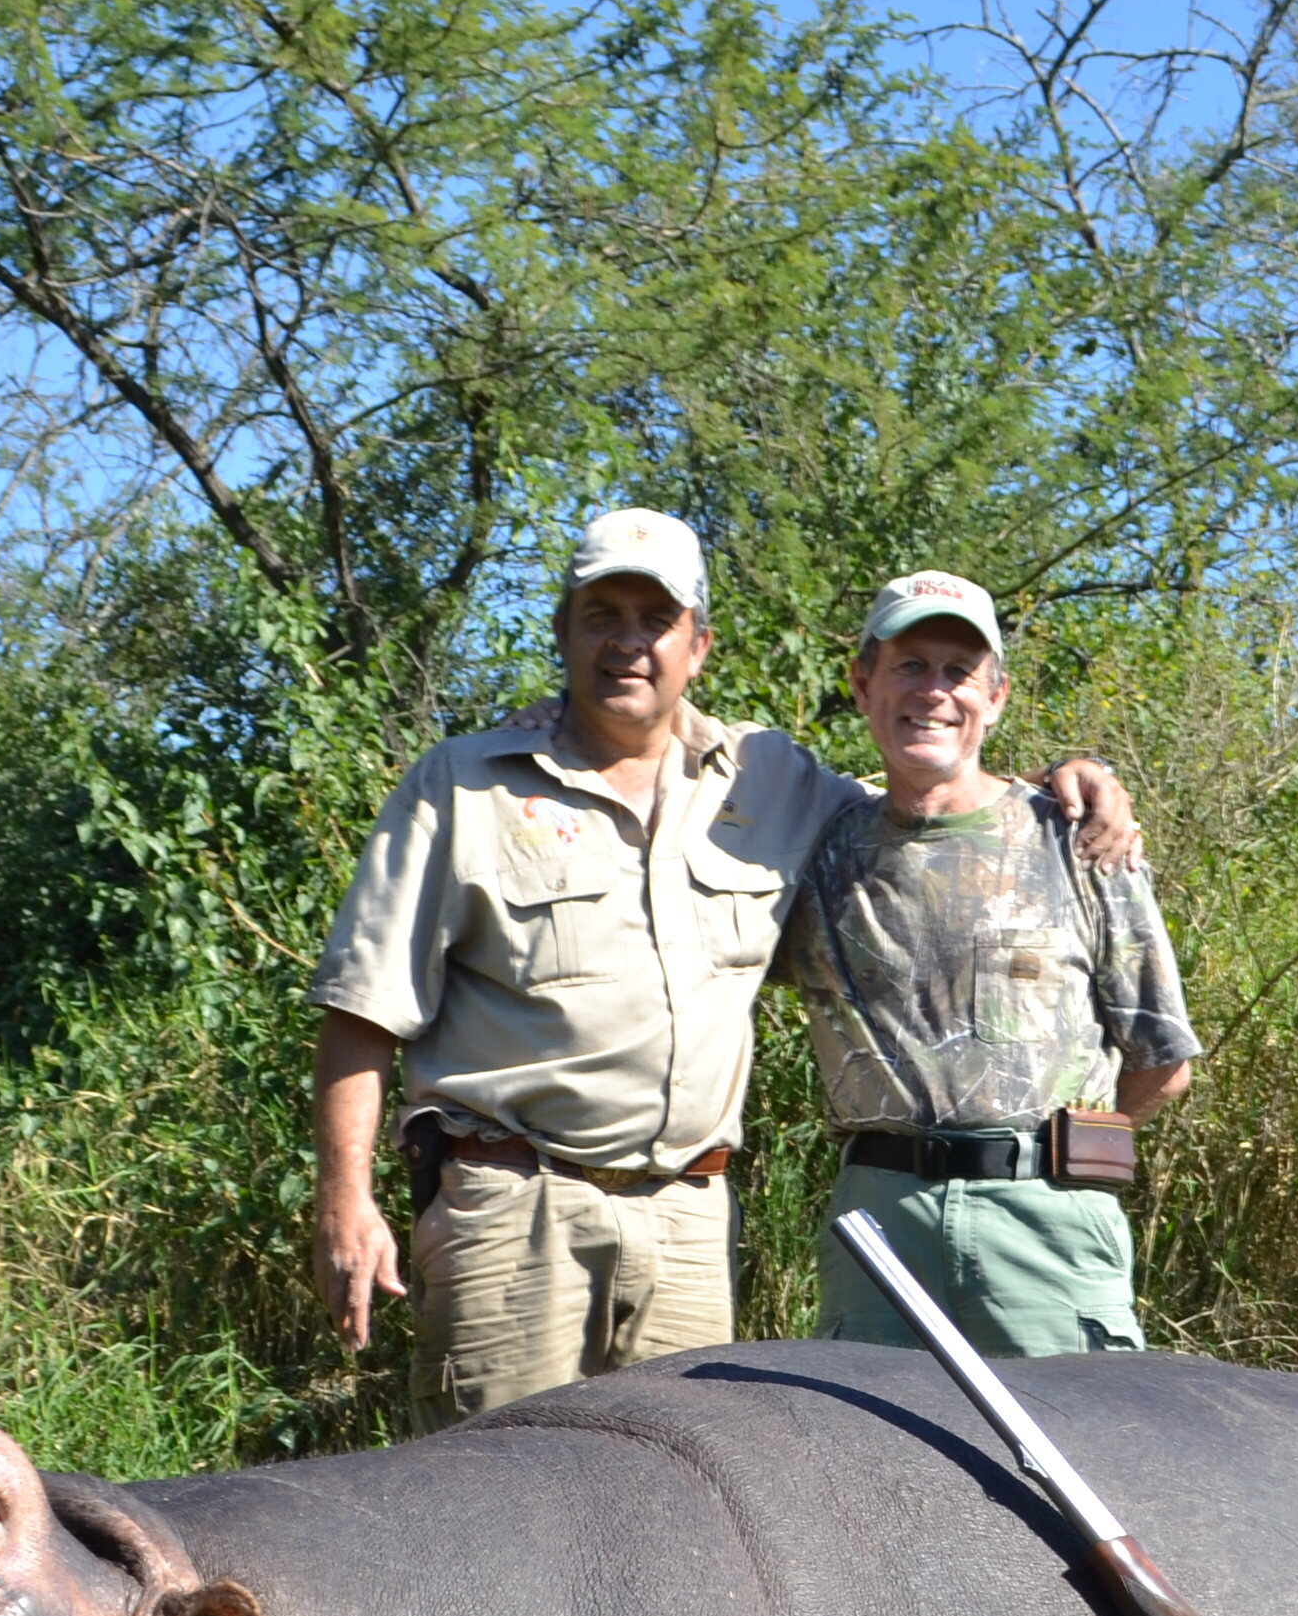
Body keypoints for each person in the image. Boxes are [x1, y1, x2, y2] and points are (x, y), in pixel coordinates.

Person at [306, 510, 1136, 1428]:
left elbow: (930, 797)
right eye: (601, 615)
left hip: (691, 1222)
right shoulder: (462, 785)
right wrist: (346, 1198)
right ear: (563, 632)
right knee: (499, 1513)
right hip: (512, 1207)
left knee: (683, 1511)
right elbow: (363, 1010)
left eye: (653, 621)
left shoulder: (767, 778)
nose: (628, 643)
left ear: (696, 645)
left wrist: (1077, 774)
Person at [783, 570, 1199, 1361]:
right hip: (878, 1219)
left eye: (957, 671)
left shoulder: (1080, 840)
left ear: (996, 697)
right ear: (863, 683)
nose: (933, 691)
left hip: (1047, 1221)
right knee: (871, 1462)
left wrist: (1059, 1162)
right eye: (909, 666)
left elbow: (1162, 1062)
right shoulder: (817, 847)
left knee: (1081, 1457)